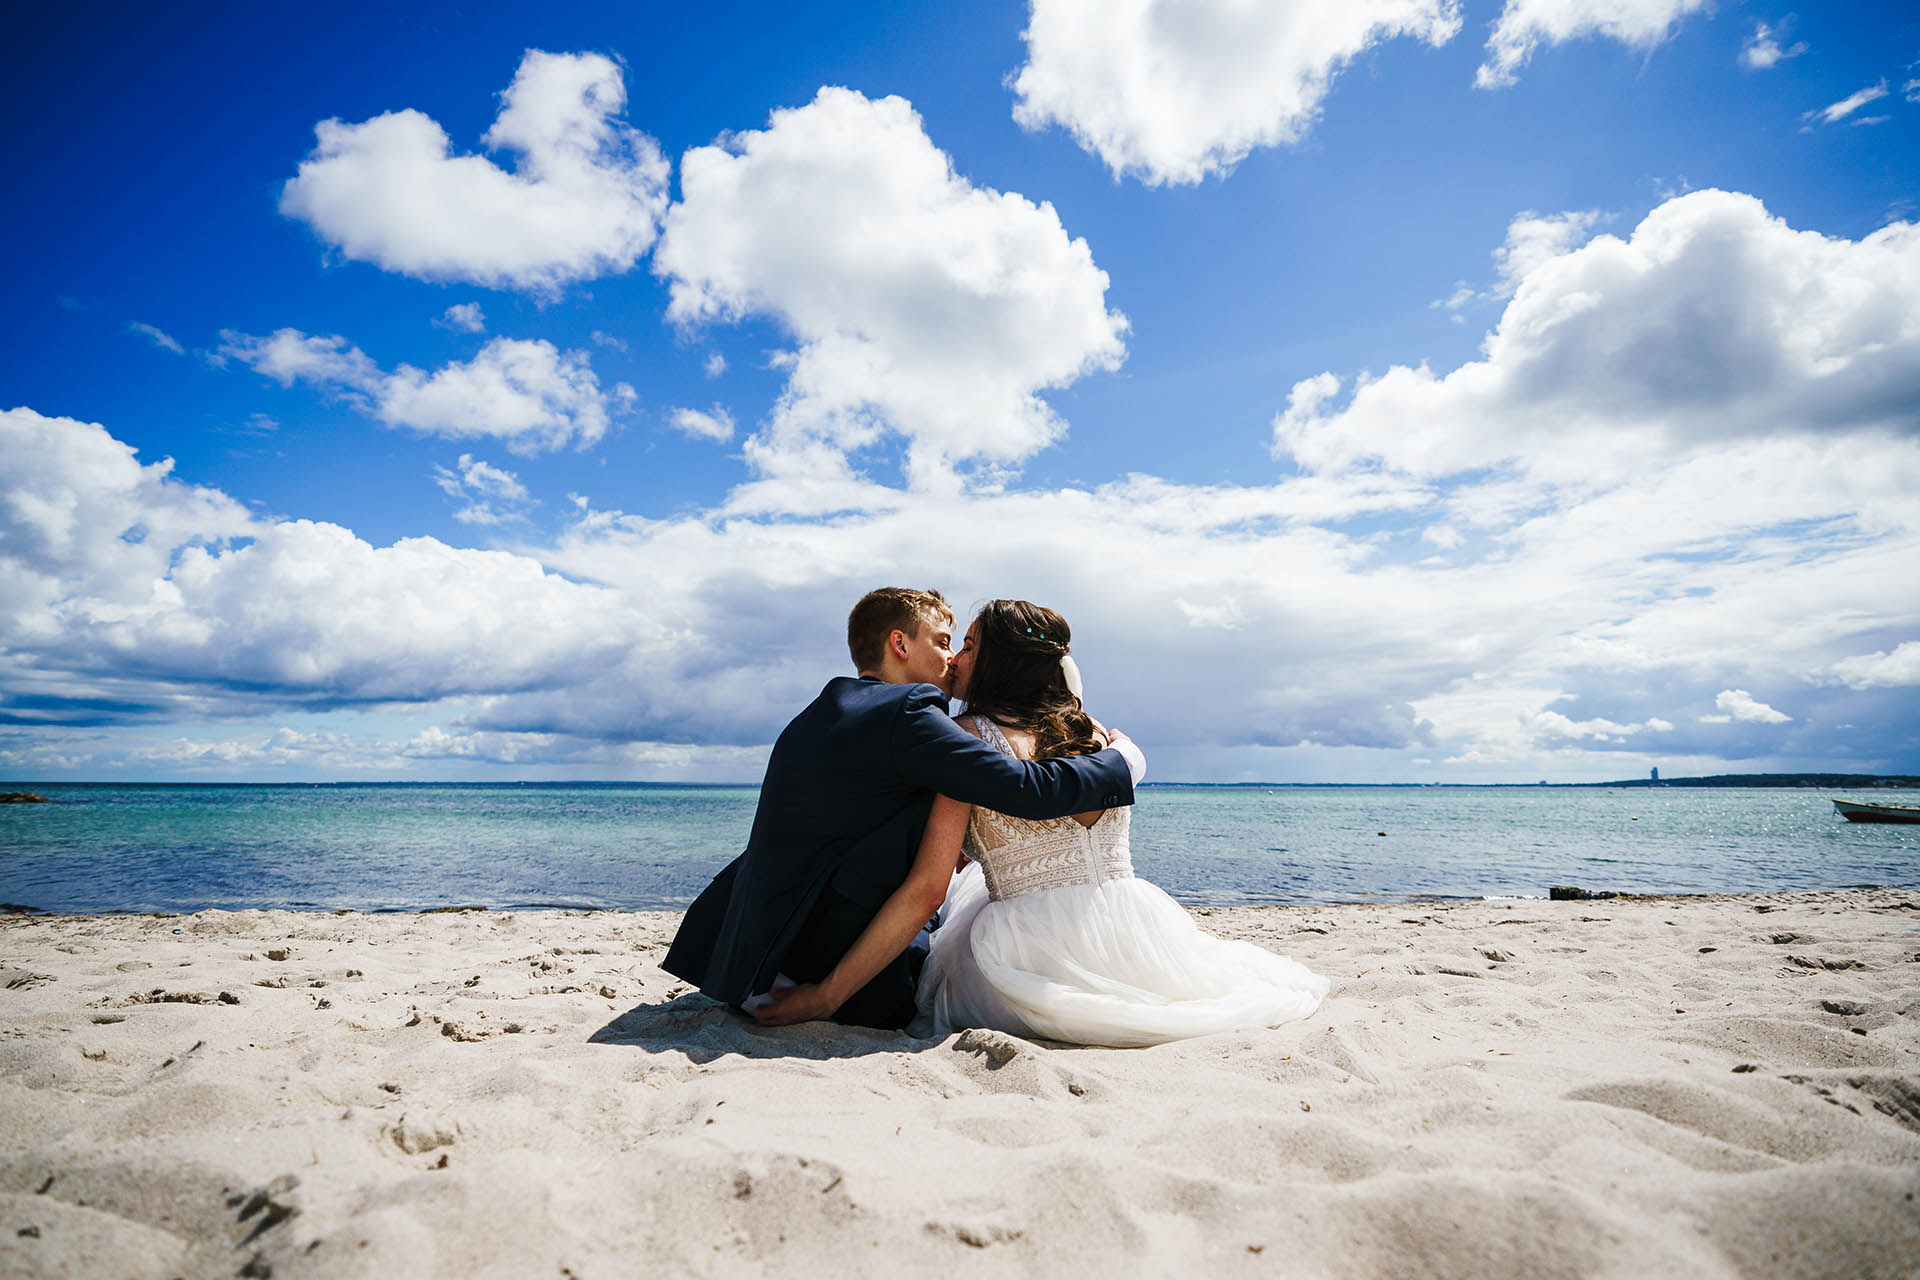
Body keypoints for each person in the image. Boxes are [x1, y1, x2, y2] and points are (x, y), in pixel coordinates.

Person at [760, 599, 1328, 1047]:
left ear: (998, 662)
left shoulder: (964, 741)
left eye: (969, 645)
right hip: (1133, 924)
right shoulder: (1103, 737)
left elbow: (927, 888)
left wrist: (826, 997)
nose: (954, 658)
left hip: (1022, 951)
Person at [662, 587, 1145, 1030]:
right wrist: (1125, 761)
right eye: (942, 641)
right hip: (825, 952)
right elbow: (1026, 788)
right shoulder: (910, 711)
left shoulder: (826, 709)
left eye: (962, 645)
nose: (952, 657)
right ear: (900, 643)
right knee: (925, 956)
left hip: (751, 947)